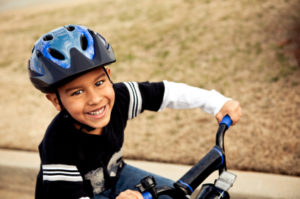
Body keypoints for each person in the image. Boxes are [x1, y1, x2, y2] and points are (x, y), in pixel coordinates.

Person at [28, 24, 242, 199]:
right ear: (56, 100)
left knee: (175, 196)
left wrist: (217, 102)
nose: (95, 99)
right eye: (77, 93)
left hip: (117, 177)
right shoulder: (57, 143)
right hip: (73, 195)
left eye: (100, 82)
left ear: (109, 75)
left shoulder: (119, 98)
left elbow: (167, 93)